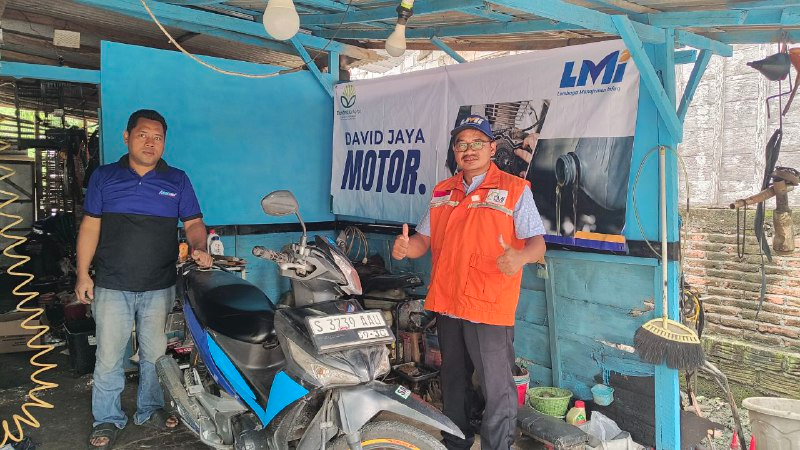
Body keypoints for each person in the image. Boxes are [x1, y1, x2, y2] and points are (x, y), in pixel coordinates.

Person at [392, 114, 546, 450]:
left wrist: (520, 257)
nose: (469, 149)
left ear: (492, 148)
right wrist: (407, 247)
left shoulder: (514, 190)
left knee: (497, 386)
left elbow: (537, 243)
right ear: (455, 150)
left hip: (488, 304)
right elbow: (423, 240)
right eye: (462, 143)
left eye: (477, 143)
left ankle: (497, 446)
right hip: (449, 302)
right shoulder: (443, 192)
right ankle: (455, 442)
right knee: (454, 380)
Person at [75, 109, 213, 449]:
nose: (150, 142)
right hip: (111, 283)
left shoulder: (177, 179)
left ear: (164, 142)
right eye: (143, 135)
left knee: (154, 355)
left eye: (158, 137)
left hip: (159, 284)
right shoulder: (105, 177)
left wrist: (199, 247)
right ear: (127, 137)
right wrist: (82, 274)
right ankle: (106, 418)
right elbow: (91, 225)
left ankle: (149, 408)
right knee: (108, 356)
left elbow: (194, 222)